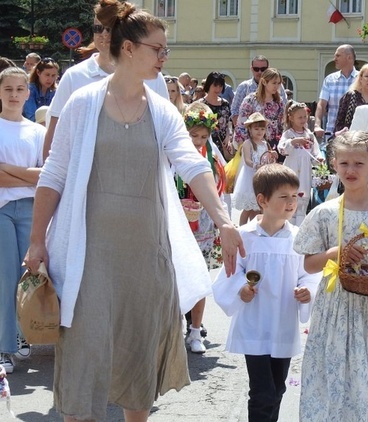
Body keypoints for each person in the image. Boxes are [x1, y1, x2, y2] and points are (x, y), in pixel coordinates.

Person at [24, 4, 244, 420]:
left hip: (147, 258)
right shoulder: (83, 103)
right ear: (128, 48)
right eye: (157, 49)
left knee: (138, 361)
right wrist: (37, 240)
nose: (164, 57)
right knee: (83, 361)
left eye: (166, 50)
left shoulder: (162, 110)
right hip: (88, 259)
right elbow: (53, 173)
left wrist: (224, 220)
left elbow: (193, 164)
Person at [293, 130, 368, 421]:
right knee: (334, 375)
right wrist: (337, 253)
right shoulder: (324, 213)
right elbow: (310, 265)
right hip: (335, 307)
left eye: (359, 164)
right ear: (334, 164)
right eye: (344, 163)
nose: (351, 170)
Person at [213, 163, 319, 422]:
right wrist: (241, 289)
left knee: (278, 388)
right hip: (255, 324)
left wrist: (308, 291)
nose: (291, 202)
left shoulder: (298, 238)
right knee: (262, 393)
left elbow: (309, 272)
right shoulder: (244, 236)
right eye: (283, 197)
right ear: (262, 200)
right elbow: (230, 272)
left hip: (283, 323)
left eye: (295, 196)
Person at [43, 0, 169, 160]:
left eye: (109, 28)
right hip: (83, 178)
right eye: (97, 28)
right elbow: (54, 137)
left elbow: (167, 136)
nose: (103, 34)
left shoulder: (153, 78)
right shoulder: (74, 76)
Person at [0, 67, 46, 372]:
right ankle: (4, 347)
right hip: (2, 210)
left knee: (27, 277)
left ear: (27, 94)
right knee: (5, 277)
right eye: (8, 89)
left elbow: (47, 175)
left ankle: (22, 334)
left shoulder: (38, 132)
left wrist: (8, 169)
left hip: (31, 209)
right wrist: (29, 176)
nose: (14, 95)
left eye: (19, 89)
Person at [175, 103, 226, 354]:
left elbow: (219, 191)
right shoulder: (172, 155)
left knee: (199, 274)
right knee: (174, 275)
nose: (198, 140)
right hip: (176, 223)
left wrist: (222, 221)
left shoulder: (212, 158)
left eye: (203, 136)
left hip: (202, 224)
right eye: (193, 135)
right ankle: (172, 329)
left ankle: (195, 331)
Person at [278, 101, 323, 225]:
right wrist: (293, 142)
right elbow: (281, 149)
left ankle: (300, 228)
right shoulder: (288, 134)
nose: (303, 119)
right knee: (290, 196)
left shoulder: (309, 135)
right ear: (291, 118)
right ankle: (287, 225)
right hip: (291, 170)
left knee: (302, 199)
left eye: (305, 116)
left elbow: (315, 152)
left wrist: (318, 159)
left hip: (305, 172)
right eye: (300, 117)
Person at [234, 112, 277, 225]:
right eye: (256, 129)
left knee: (258, 207)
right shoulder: (248, 143)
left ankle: (254, 228)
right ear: (250, 129)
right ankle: (242, 229)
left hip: (261, 178)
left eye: (262, 129)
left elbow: (268, 159)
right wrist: (257, 166)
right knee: (248, 208)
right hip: (250, 178)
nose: (259, 132)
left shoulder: (265, 144)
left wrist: (273, 157)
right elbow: (247, 160)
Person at [234, 68, 285, 156]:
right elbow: (241, 124)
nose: (276, 86)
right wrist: (243, 144)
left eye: (278, 83)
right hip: (253, 144)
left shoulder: (279, 102)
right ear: (264, 82)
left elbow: (281, 124)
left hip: (272, 144)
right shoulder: (250, 100)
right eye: (274, 83)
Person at [313, 45, 358, 143]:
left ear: (349, 57)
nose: (335, 59)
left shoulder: (361, 79)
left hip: (355, 134)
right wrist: (317, 125)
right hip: (332, 133)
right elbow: (321, 104)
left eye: (338, 56)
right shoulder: (330, 79)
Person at [231, 55, 288, 127]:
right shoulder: (244, 87)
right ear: (251, 69)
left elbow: (284, 111)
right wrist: (245, 131)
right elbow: (235, 112)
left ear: (268, 68)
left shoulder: (279, 87)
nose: (260, 72)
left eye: (263, 69)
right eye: (256, 69)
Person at [333, 62, 368, 132]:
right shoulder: (350, 96)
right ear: (360, 78)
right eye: (367, 76)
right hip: (350, 139)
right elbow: (339, 123)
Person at [198, 71, 234, 162]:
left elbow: (228, 123)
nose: (218, 89)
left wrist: (228, 138)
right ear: (209, 85)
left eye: (220, 86)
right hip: (206, 143)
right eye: (215, 85)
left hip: (223, 143)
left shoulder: (225, 103)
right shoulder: (200, 104)